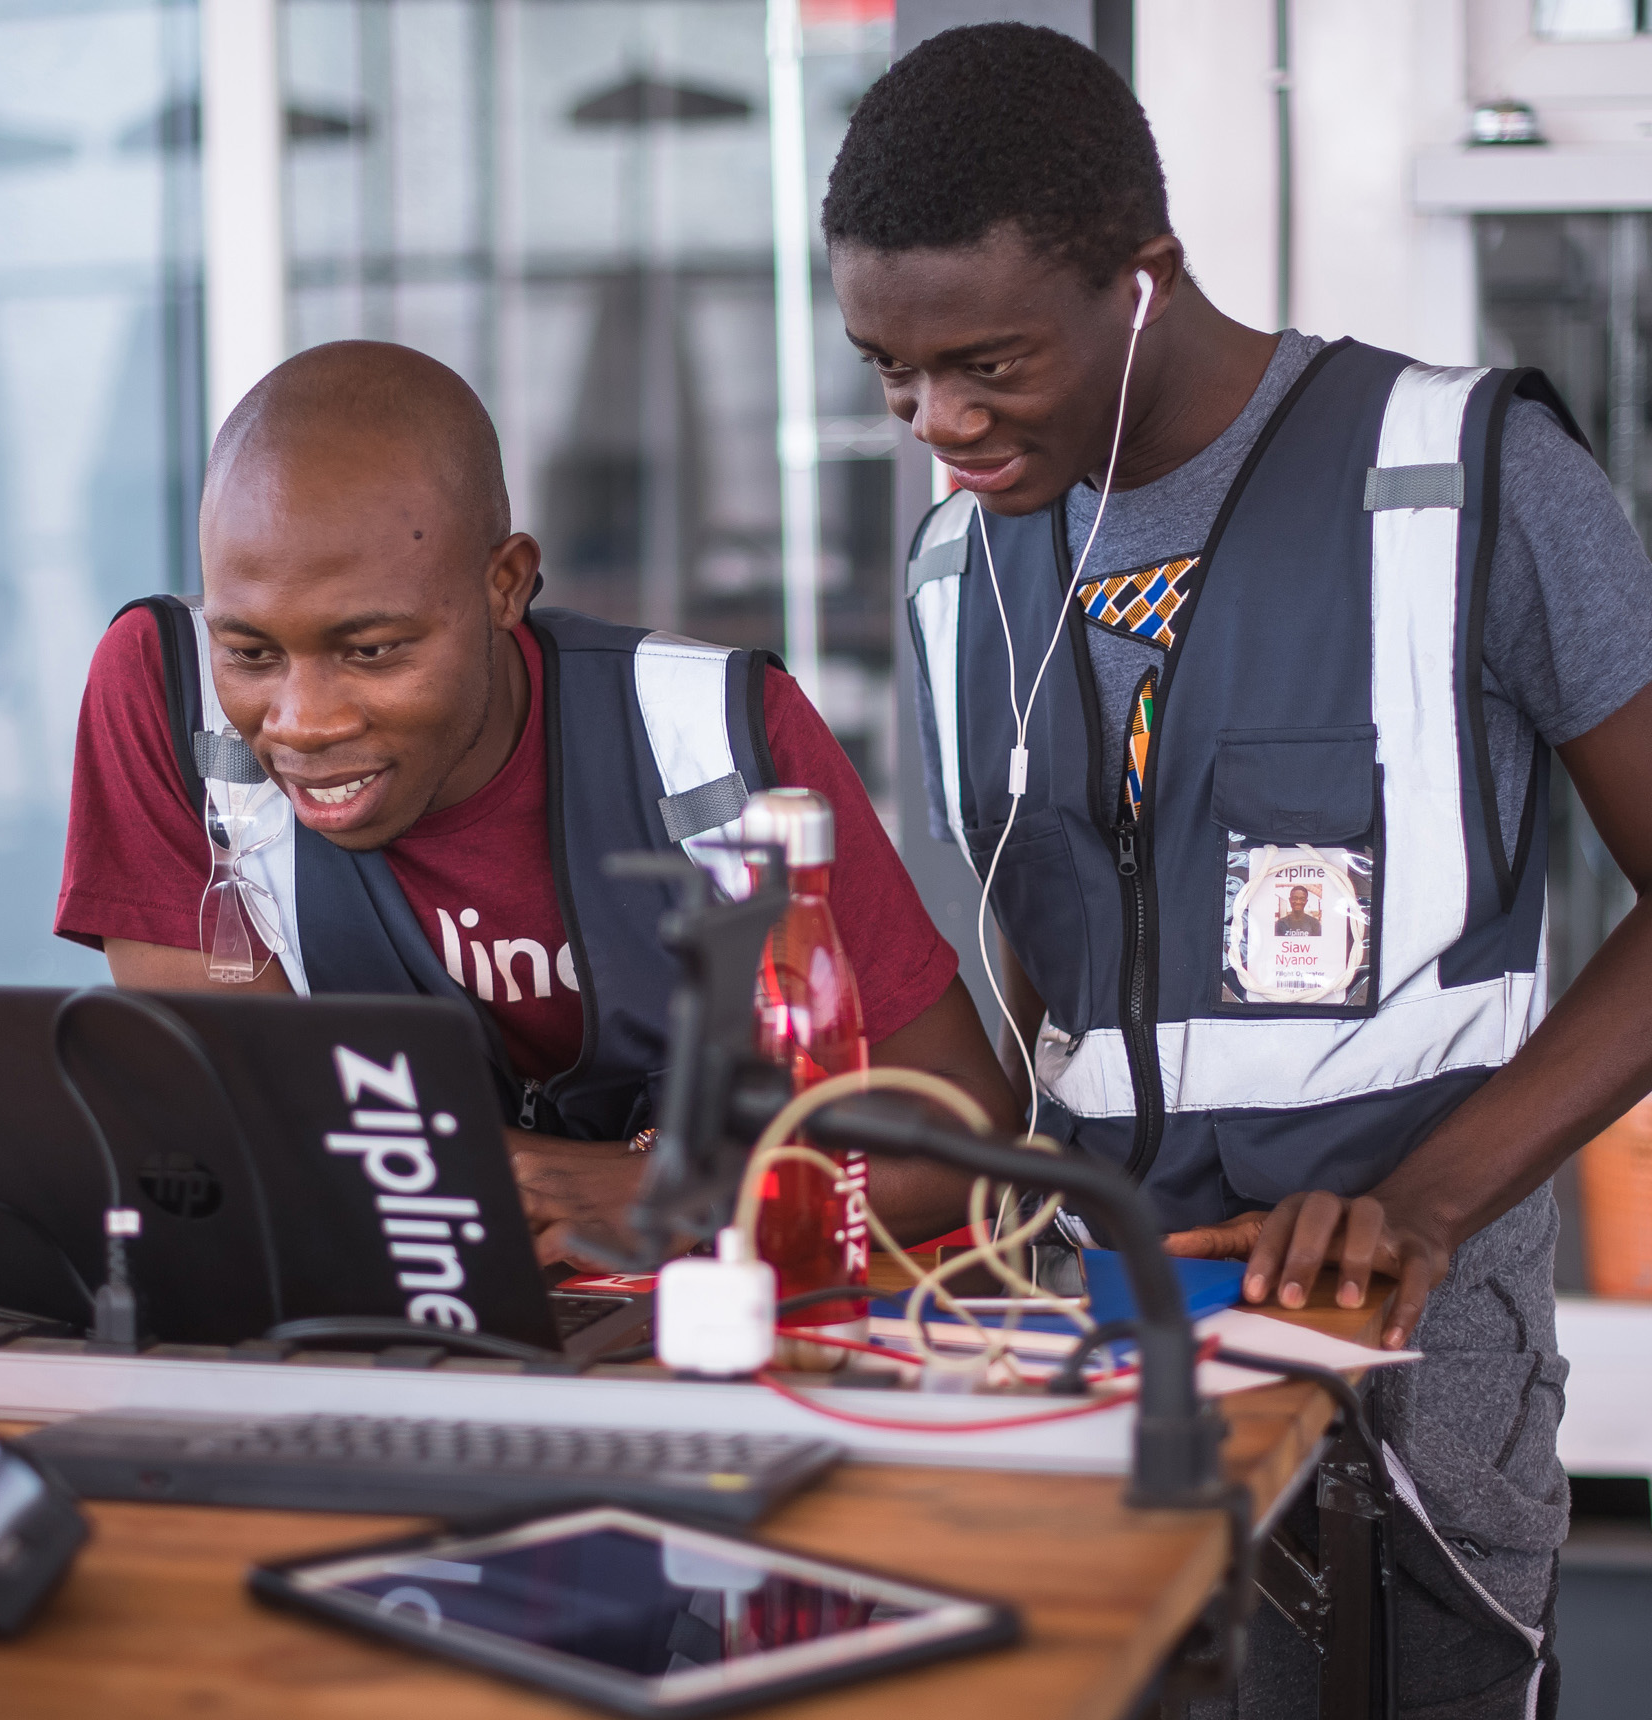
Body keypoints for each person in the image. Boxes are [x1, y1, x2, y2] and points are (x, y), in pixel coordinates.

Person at [826, 25, 1652, 1719]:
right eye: (889, 374)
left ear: (1144, 278)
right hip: (1092, 1342)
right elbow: (1055, 972)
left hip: (1397, 1343)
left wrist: (1426, 1203)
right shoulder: (951, 568)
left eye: (987, 363)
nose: (939, 424)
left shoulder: (1458, 478)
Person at [56, 340, 1017, 1266]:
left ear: (505, 584)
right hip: (389, 1320)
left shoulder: (713, 735)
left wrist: (677, 1192)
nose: (301, 723)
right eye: (252, 653)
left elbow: (953, 1135)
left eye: (374, 650)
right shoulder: (165, 699)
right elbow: (261, 1131)